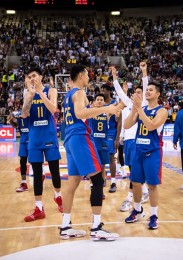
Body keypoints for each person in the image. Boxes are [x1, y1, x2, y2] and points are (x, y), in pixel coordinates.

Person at [59, 64, 120, 241]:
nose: (88, 77)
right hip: (79, 136)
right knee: (97, 179)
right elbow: (80, 114)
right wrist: (106, 108)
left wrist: (110, 108)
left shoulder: (68, 95)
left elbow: (83, 113)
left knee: (72, 183)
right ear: (80, 76)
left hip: (69, 139)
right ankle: (96, 227)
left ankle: (65, 226)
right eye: (86, 74)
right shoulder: (78, 92)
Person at [124, 81, 168, 230]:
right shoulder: (140, 109)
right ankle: (137, 210)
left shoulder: (162, 111)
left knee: (152, 186)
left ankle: (154, 215)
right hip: (138, 150)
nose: (147, 92)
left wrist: (139, 110)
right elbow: (126, 125)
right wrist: (134, 110)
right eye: (146, 89)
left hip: (152, 152)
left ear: (158, 94)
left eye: (151, 90)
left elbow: (151, 126)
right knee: (135, 183)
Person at [22, 67, 63, 222]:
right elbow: (24, 114)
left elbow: (53, 109)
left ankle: (58, 196)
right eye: (29, 76)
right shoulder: (27, 93)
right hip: (34, 138)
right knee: (37, 174)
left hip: (49, 136)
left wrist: (39, 92)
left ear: (40, 77)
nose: (32, 78)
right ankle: (39, 207)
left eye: (34, 76)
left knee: (54, 170)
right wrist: (30, 96)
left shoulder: (51, 90)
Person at [111, 64, 150, 212]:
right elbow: (120, 92)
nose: (137, 94)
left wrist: (144, 72)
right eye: (136, 92)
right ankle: (144, 191)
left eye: (141, 92)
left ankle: (129, 198)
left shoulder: (144, 105)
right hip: (127, 141)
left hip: (137, 140)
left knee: (134, 171)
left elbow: (145, 86)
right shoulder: (128, 104)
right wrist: (114, 77)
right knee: (133, 169)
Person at [100, 84, 120, 193]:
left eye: (104, 89)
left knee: (111, 156)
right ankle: (103, 178)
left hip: (111, 132)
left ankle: (113, 182)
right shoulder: (100, 104)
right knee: (102, 156)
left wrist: (117, 138)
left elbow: (119, 120)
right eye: (102, 90)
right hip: (101, 133)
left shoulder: (114, 103)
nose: (103, 91)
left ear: (109, 91)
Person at [7, 109, 30, 192]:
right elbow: (15, 125)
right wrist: (11, 120)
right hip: (23, 140)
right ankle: (24, 183)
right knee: (22, 161)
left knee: (35, 162)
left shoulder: (31, 111)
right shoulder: (17, 114)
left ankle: (41, 174)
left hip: (32, 139)